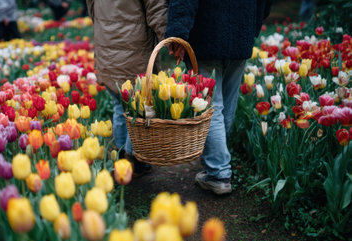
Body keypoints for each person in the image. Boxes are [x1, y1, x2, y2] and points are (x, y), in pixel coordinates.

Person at [166, 0, 273, 195]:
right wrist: (252, 25)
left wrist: (178, 34)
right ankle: (218, 164)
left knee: (211, 106)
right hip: (242, 32)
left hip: (207, 34)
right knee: (226, 106)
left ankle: (219, 173)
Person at [86, 0, 168, 174]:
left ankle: (122, 156)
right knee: (139, 110)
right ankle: (134, 159)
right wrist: (170, 38)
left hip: (107, 48)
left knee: (120, 106)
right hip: (135, 51)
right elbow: (157, 10)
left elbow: (91, 8)